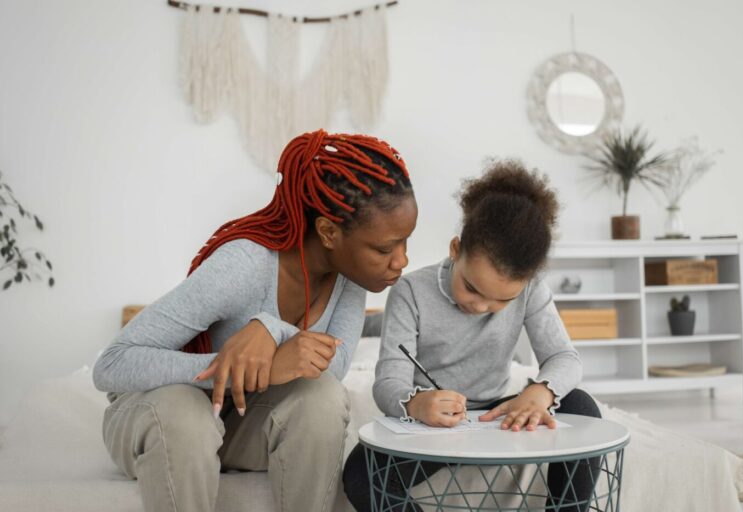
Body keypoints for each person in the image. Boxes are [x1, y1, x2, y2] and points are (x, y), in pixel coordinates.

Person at [93, 129, 418, 512]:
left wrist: (271, 329)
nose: (401, 261)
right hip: (160, 417)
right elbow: (112, 365)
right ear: (329, 232)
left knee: (322, 397)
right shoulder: (245, 265)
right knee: (186, 416)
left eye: (405, 242)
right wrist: (241, 369)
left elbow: (334, 369)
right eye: (384, 248)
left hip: (237, 422)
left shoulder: (350, 275)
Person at [343, 160, 601, 512]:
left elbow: (565, 358)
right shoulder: (410, 291)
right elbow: (388, 379)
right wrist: (417, 404)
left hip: (496, 415)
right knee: (360, 475)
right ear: (455, 250)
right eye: (472, 288)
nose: (482, 307)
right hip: (433, 424)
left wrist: (540, 392)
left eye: (503, 300)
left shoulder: (532, 289)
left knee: (581, 405)